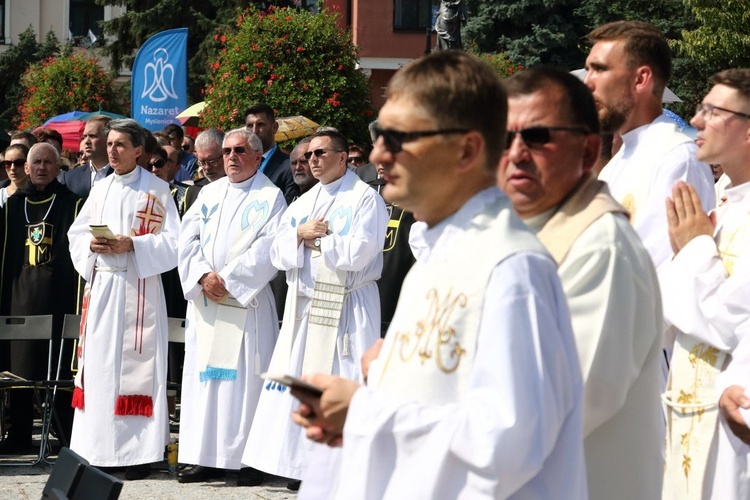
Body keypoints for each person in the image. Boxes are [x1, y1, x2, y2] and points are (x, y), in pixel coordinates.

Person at [290, 50, 587, 499]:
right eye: (378, 134)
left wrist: (364, 413)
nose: (377, 153)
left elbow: (510, 443)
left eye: (398, 137)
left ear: (466, 148)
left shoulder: (511, 267)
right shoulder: (439, 253)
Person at [499, 66, 664, 499]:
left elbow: (564, 402)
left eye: (537, 137)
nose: (516, 153)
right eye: (503, 138)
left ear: (589, 151)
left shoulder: (601, 248)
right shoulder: (518, 231)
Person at [243, 129, 388, 488]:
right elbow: (276, 252)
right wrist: (297, 235)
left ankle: (344, 465)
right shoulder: (304, 203)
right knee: (305, 380)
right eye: (310, 155)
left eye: (321, 153)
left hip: (348, 308)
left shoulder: (364, 198)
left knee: (342, 377)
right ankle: (301, 466)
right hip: (307, 307)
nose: (313, 160)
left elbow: (361, 253)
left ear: (342, 157)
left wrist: (317, 238)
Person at [67, 118, 180, 480]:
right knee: (100, 370)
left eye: (119, 145)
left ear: (138, 151)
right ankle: (97, 449)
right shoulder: (100, 189)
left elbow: (173, 243)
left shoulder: (156, 191)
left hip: (138, 287)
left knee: (136, 373)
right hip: (103, 289)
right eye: (110, 143)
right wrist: (92, 245)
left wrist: (133, 244)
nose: (112, 150)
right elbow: (77, 234)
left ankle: (138, 454)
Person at [659, 69, 750, 499]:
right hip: (692, 411)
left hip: (732, 424)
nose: (695, 120)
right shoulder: (727, 199)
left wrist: (694, 250)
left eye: (712, 111)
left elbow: (724, 321)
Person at [176, 129, 286, 486]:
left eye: (240, 150)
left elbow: (269, 247)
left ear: (257, 156)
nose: (232, 157)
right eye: (226, 151)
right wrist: (202, 276)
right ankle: (204, 456)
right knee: (205, 380)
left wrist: (228, 280)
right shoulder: (208, 193)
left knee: (244, 382)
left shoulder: (271, 197)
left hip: (246, 302)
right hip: (207, 302)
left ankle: (246, 459)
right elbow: (186, 240)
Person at [585, 21, 715, 269]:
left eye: (599, 69)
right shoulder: (619, 160)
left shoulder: (677, 158)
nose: (588, 82)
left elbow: (665, 268)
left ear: (641, 79)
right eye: (588, 70)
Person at [0, 143, 82, 453]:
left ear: (59, 167)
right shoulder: (11, 207)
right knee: (19, 373)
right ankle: (19, 436)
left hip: (57, 300)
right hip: (19, 298)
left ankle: (66, 438)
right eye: (36, 162)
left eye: (49, 162)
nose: (42, 168)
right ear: (27, 167)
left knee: (57, 374)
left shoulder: (72, 205)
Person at [245, 103, 299, 205]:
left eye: (260, 124)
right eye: (250, 126)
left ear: (274, 127)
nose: (254, 131)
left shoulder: (289, 167)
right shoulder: (240, 165)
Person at [63, 115, 112, 198]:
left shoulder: (123, 175)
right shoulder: (70, 178)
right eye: (84, 136)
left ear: (109, 139)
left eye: (93, 136)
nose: (86, 141)